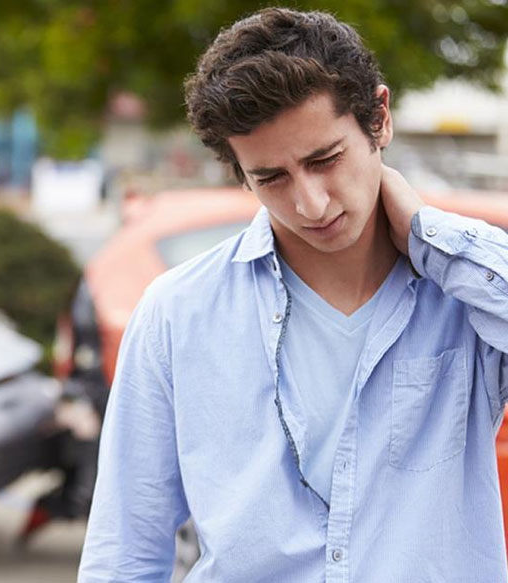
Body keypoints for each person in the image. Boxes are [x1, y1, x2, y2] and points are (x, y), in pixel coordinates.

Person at [78, 8, 508, 582]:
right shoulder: (177, 313)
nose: (310, 204)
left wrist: (433, 237)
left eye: (324, 160)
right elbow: (125, 550)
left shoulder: (466, 297)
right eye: (271, 178)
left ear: (378, 118)